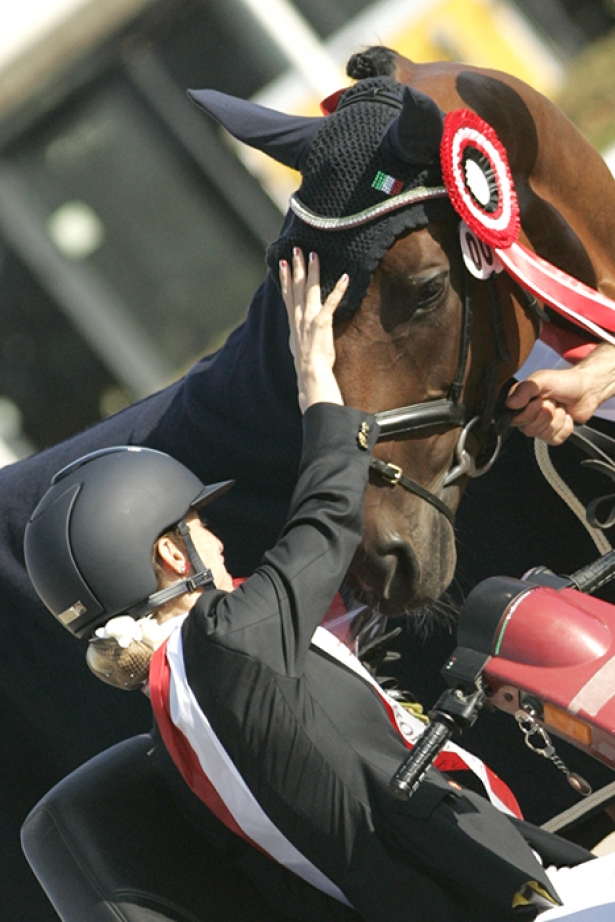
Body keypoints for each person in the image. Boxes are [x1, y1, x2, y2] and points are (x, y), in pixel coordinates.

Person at [25, 250, 615, 922]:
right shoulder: (227, 645)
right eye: (198, 525)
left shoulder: (174, 718)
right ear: (168, 552)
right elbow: (328, 521)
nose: (218, 543)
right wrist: (317, 387)